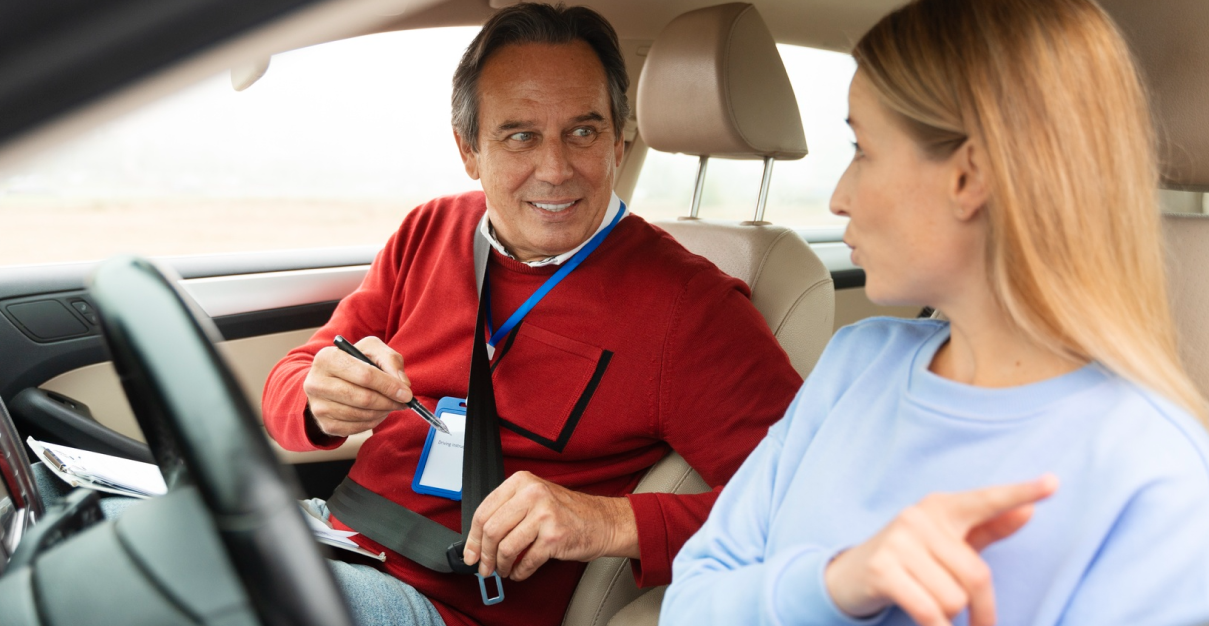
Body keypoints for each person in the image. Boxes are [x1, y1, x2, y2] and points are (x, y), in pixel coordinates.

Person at [661, 0, 1209, 625]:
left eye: (863, 150)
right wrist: (838, 584)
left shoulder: (1159, 479)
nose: (838, 197)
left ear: (968, 176)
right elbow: (689, 605)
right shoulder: (855, 363)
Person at [261, 4, 803, 626]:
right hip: (334, 537)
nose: (554, 169)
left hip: (446, 606)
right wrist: (316, 397)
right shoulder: (429, 231)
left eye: (583, 132)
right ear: (470, 150)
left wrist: (609, 522)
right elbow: (298, 372)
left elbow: (805, 504)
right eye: (520, 135)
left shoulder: (692, 308)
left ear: (620, 144)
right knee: (135, 531)